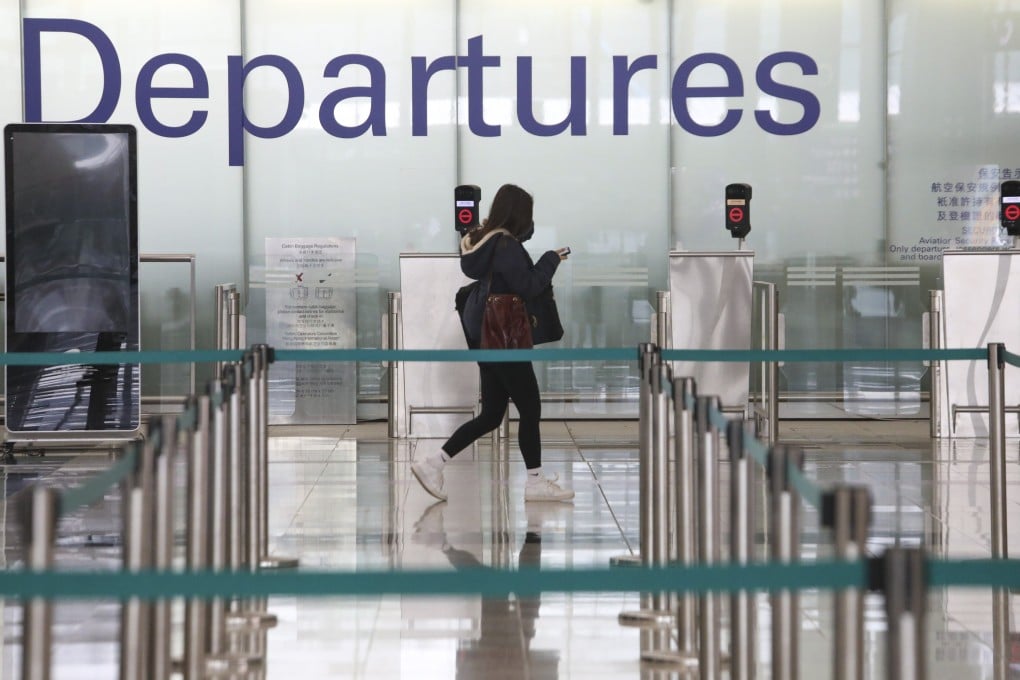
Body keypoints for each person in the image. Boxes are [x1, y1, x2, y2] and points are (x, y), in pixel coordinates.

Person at [411, 183, 574, 503]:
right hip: (506, 339)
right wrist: (550, 259)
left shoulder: (489, 242)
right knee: (530, 408)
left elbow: (518, 250)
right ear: (519, 214)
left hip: (488, 338)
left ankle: (433, 464)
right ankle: (535, 483)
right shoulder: (506, 246)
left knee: (491, 415)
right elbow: (529, 285)